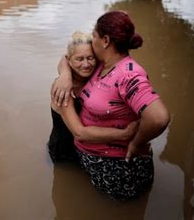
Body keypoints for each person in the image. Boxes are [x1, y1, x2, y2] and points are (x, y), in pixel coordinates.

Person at [52, 11, 170, 200]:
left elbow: (158, 117)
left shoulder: (127, 74)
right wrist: (65, 75)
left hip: (118, 171)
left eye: (95, 35)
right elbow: (68, 57)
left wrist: (135, 142)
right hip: (90, 161)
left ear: (105, 40)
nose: (92, 41)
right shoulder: (101, 63)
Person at [48, 31, 138, 163]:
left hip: (94, 152)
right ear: (69, 61)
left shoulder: (96, 74)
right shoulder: (62, 89)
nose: (86, 64)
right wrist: (125, 134)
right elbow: (79, 133)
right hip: (65, 153)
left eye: (90, 58)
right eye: (79, 59)